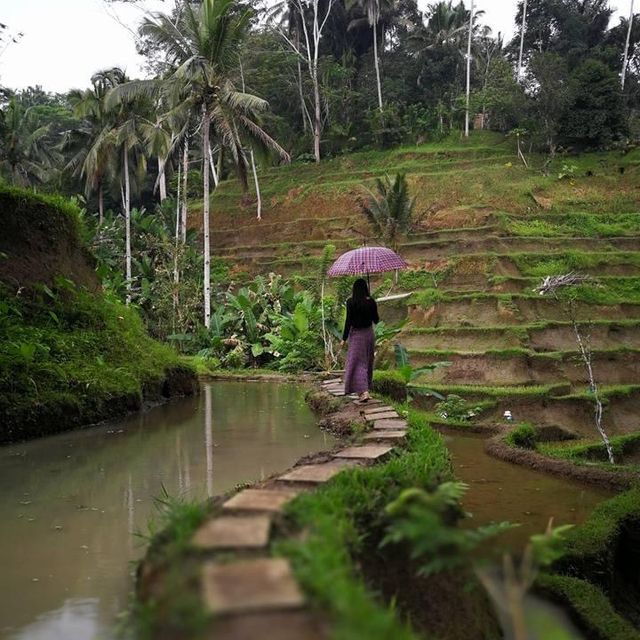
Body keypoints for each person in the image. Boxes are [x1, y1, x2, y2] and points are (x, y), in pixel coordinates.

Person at [341, 278, 379, 402]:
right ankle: (363, 390)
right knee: (367, 362)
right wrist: (372, 305)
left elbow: (348, 321)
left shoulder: (350, 302)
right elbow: (376, 320)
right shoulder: (371, 301)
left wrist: (344, 338)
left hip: (356, 336)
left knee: (357, 363)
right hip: (369, 334)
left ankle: (364, 391)